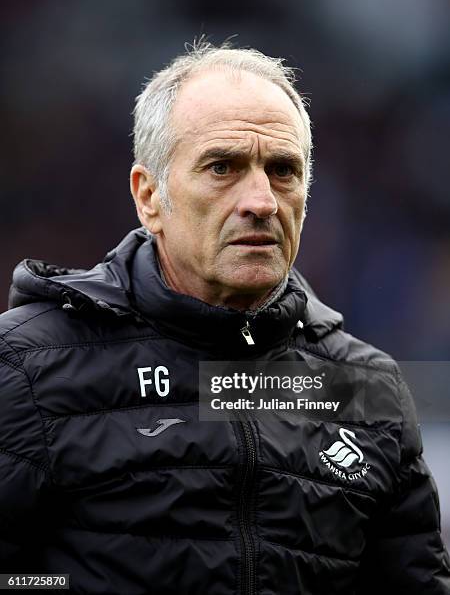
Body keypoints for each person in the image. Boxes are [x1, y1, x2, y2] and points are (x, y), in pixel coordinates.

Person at [0, 40, 449, 595]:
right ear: (149, 196)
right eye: (222, 167)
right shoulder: (27, 368)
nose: (261, 200)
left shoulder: (366, 387)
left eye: (283, 170)